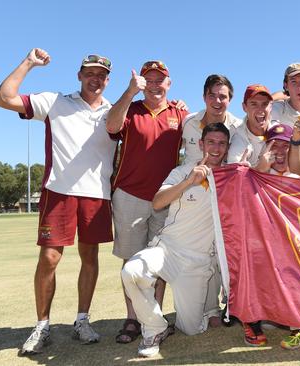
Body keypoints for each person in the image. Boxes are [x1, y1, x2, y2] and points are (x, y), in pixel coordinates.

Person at [0, 49, 115, 354]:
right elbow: (3, 97)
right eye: (90, 73)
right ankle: (42, 325)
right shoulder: (55, 101)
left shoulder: (114, 112)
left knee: (90, 258)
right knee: (49, 259)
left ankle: (82, 320)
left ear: (107, 80)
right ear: (79, 76)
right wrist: (29, 63)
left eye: (101, 75)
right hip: (58, 191)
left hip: (97, 194)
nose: (95, 79)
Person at [121, 123, 229, 357]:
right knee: (131, 271)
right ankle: (154, 328)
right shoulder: (183, 171)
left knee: (190, 330)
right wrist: (188, 182)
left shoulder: (230, 177)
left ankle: (201, 313)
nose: (216, 148)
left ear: (227, 148)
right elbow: (158, 202)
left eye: (221, 143)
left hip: (197, 264)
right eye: (211, 142)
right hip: (167, 250)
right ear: (201, 144)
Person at [105, 60, 188, 344]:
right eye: (148, 80)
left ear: (169, 83)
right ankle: (132, 318)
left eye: (159, 80)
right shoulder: (131, 109)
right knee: (132, 259)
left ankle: (154, 317)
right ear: (142, 82)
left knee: (159, 261)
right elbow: (111, 126)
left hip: (165, 197)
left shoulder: (180, 113)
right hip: (129, 194)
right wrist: (129, 93)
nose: (154, 85)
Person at [245, 124, 300, 349]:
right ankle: (252, 319)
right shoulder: (254, 173)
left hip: (292, 247)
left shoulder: (298, 177)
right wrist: (260, 167)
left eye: (285, 145)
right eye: (274, 144)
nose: (279, 150)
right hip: (262, 245)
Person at [181, 74, 242, 165]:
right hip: (188, 178)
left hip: (222, 179)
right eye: (212, 96)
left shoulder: (239, 128)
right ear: (204, 97)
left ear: (230, 99)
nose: (217, 101)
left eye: (222, 97)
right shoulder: (188, 122)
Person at [226, 84, 277, 166]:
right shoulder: (238, 137)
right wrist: (259, 169)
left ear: (271, 106)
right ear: (244, 107)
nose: (260, 110)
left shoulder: (278, 130)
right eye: (254, 104)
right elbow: (234, 174)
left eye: (265, 104)